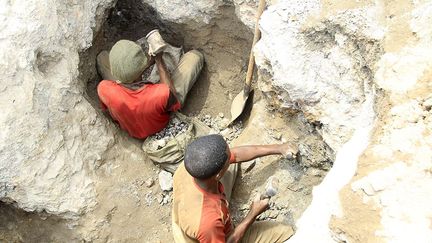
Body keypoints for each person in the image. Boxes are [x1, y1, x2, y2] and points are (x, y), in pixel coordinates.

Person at [172, 134, 297, 243]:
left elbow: (235, 155)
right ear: (218, 175)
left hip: (191, 211)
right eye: (229, 157)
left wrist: (279, 148)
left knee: (230, 164)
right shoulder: (208, 222)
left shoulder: (192, 164)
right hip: (206, 234)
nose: (232, 155)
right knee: (284, 231)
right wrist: (253, 214)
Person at [96, 37, 204, 139]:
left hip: (131, 126)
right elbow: (168, 92)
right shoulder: (160, 94)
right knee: (195, 56)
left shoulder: (104, 88)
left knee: (102, 57)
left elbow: (108, 107)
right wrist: (158, 60)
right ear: (140, 71)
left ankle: (126, 71)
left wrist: (145, 65)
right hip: (157, 125)